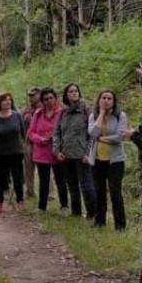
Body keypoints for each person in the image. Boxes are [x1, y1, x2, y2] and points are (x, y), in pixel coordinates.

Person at [53, 83, 96, 218]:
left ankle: (92, 213)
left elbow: (93, 134)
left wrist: (88, 153)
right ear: (66, 95)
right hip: (66, 154)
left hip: (82, 154)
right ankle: (76, 212)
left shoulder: (86, 110)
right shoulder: (62, 112)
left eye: (76, 91)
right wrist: (56, 150)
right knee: (72, 185)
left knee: (87, 185)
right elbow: (56, 132)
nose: (74, 93)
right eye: (71, 91)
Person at [87, 90, 127, 230]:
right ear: (99, 100)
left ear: (114, 101)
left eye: (109, 98)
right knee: (99, 192)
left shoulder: (120, 116)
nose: (106, 101)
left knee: (115, 193)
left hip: (114, 161)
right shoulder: (93, 116)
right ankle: (100, 221)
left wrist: (102, 138)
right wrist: (102, 114)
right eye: (103, 98)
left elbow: (119, 137)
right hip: (97, 160)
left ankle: (120, 225)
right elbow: (92, 133)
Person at [28, 87, 67, 213]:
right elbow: (31, 132)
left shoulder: (61, 113)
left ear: (55, 98)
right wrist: (40, 139)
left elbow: (66, 131)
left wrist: (54, 137)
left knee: (60, 179)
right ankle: (41, 206)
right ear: (42, 101)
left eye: (51, 98)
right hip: (41, 151)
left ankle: (64, 206)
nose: (49, 101)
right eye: (46, 99)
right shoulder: (38, 113)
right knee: (43, 180)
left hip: (57, 151)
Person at [0, 92, 26, 213]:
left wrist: (20, 146)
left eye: (9, 100)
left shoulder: (17, 115)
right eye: (4, 100)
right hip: (0, 153)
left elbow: (23, 133)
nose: (8, 102)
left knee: (17, 178)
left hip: (16, 151)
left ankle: (20, 201)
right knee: (0, 179)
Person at [21, 87, 42, 198]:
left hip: (40, 143)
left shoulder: (44, 108)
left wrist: (32, 118)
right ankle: (30, 191)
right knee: (28, 168)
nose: (31, 97)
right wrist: (24, 116)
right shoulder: (26, 109)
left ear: (39, 95)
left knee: (44, 169)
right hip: (28, 141)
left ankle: (49, 193)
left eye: (33, 95)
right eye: (29, 95)